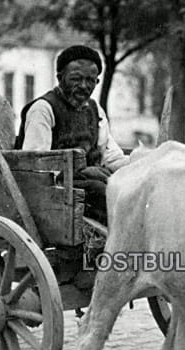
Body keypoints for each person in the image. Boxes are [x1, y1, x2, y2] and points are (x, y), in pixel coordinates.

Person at [16, 45, 129, 224]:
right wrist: (84, 173)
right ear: (60, 78)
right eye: (76, 79)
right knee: (102, 191)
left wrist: (141, 165)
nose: (84, 86)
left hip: (86, 186)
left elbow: (111, 156)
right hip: (54, 191)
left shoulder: (94, 109)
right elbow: (35, 168)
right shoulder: (43, 109)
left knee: (128, 189)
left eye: (91, 80)